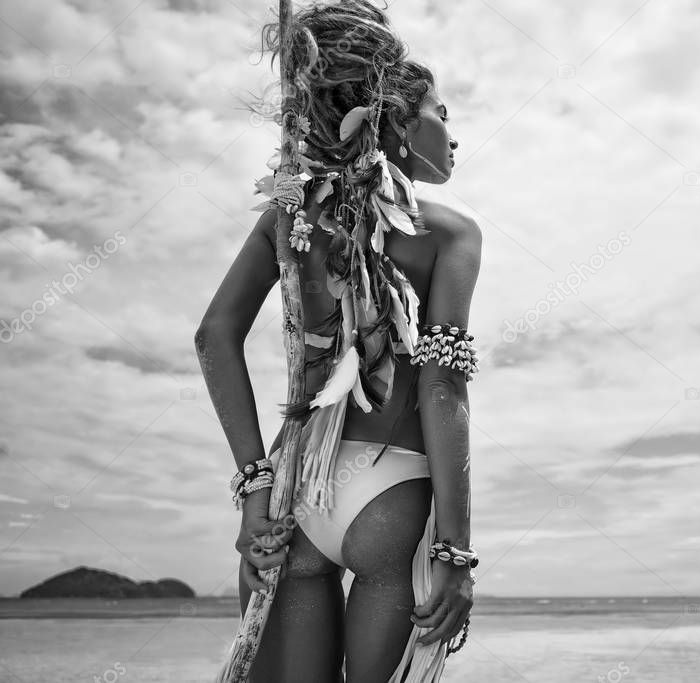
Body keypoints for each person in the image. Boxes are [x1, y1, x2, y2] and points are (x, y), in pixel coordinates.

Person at [194, 2, 481, 680]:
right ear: (397, 123)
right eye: (443, 113)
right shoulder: (450, 232)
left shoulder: (287, 215)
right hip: (389, 491)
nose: (454, 133)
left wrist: (255, 488)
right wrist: (456, 555)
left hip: (295, 491)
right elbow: (444, 388)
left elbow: (214, 335)